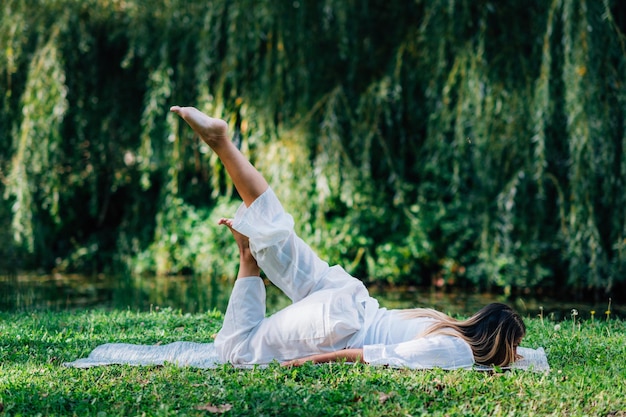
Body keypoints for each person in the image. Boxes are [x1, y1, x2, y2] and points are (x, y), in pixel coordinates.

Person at [169, 105, 526, 369]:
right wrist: (302, 363)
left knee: (277, 229)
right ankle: (247, 259)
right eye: (515, 349)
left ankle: (222, 143)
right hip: (338, 326)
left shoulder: (439, 321)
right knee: (236, 354)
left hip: (348, 296)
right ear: (499, 344)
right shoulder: (456, 351)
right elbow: (372, 357)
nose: (518, 357)